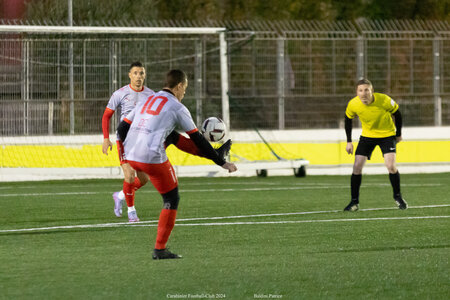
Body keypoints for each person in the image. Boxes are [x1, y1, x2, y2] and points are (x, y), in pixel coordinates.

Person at [117, 69, 237, 259]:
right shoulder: (177, 107)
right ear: (179, 86)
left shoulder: (147, 99)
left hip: (131, 152)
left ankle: (216, 153)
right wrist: (221, 162)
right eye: (185, 88)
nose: (184, 93)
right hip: (150, 156)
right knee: (171, 198)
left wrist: (124, 159)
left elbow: (122, 128)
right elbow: (197, 139)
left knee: (172, 136)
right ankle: (159, 249)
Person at [102, 62, 231, 222]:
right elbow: (107, 115)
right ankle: (131, 212)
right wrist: (106, 138)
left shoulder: (151, 95)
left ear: (145, 75)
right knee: (129, 175)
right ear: (129, 75)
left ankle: (121, 195)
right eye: (135, 73)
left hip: (143, 139)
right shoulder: (120, 93)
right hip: (126, 137)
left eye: (141, 73)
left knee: (144, 179)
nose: (138, 76)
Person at [344, 79, 407, 211]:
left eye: (366, 90)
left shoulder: (384, 100)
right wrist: (349, 141)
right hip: (367, 137)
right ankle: (354, 202)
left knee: (391, 166)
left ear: (372, 91)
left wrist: (398, 133)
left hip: (387, 135)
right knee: (356, 167)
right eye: (360, 90)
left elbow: (397, 113)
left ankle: (398, 197)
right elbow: (348, 119)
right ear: (357, 92)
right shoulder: (353, 104)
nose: (363, 93)